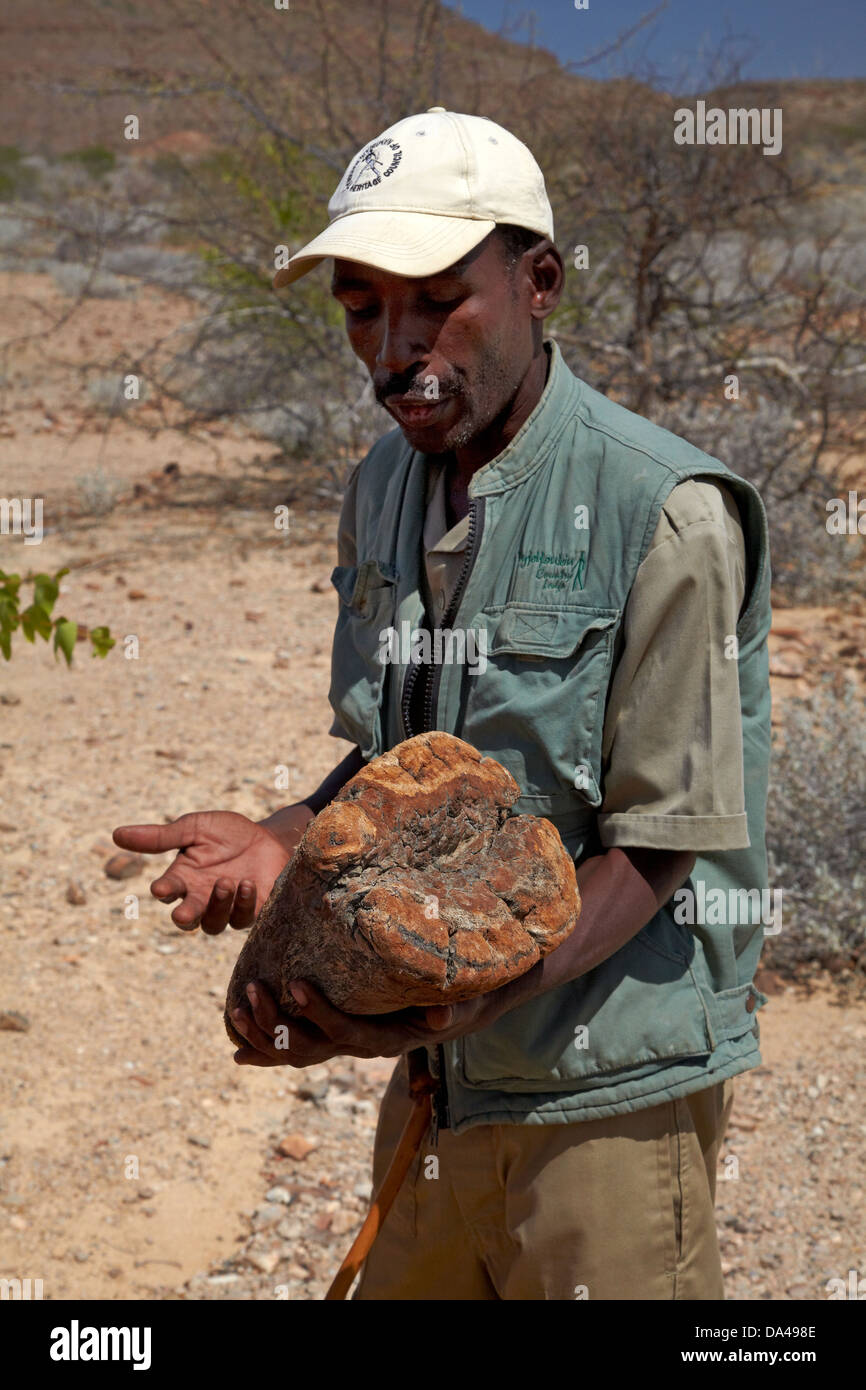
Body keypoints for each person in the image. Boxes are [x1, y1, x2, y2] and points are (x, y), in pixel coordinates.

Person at [114, 108, 773, 1301]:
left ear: (539, 282)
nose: (393, 347)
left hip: (600, 1100)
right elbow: (390, 761)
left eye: (435, 299)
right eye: (362, 307)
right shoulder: (385, 484)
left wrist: (439, 1010)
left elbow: (661, 844)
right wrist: (284, 835)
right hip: (439, 1086)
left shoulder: (662, 510)